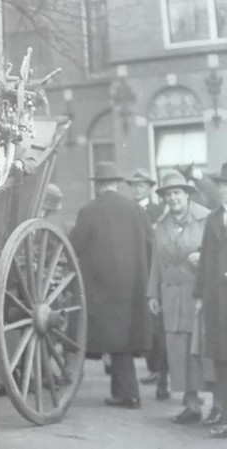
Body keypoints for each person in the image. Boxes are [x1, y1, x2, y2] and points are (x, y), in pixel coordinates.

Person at [69, 161, 152, 409]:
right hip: (133, 286)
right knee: (123, 340)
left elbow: (74, 247)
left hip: (101, 290)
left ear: (98, 185)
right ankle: (125, 393)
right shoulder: (136, 210)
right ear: (116, 183)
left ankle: (127, 393)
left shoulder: (89, 211)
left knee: (113, 338)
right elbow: (150, 244)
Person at [147, 170, 213, 424]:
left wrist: (203, 258)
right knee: (177, 350)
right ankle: (191, 402)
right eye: (168, 194)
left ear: (187, 194)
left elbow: (219, 253)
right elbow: (155, 262)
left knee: (197, 349)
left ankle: (207, 403)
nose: (173, 198)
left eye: (177, 193)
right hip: (171, 296)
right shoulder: (161, 225)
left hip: (196, 295)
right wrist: (153, 293)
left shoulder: (205, 219)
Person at [125, 168, 169, 397]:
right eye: (134, 185)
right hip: (135, 271)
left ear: (151, 188)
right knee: (143, 322)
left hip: (155, 269)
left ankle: (160, 371)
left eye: (142, 185)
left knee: (156, 325)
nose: (138, 189)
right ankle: (153, 367)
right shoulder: (128, 210)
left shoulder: (160, 210)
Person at [194, 162, 227, 438]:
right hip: (217, 301)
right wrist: (199, 296)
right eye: (223, 186)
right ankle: (225, 417)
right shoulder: (214, 218)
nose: (226, 191)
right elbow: (205, 259)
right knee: (220, 358)